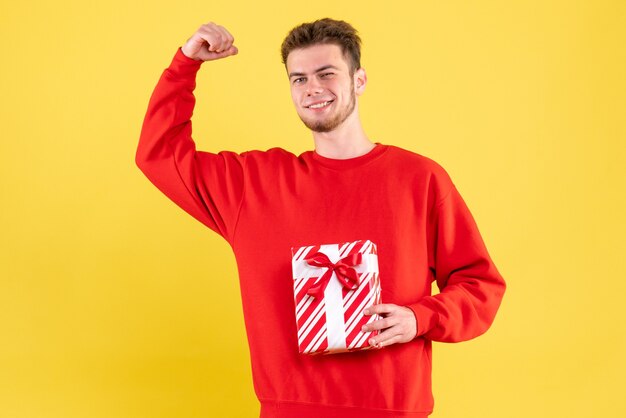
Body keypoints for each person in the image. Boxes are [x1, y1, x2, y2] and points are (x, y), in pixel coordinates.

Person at [136, 18, 506, 418]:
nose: (312, 87)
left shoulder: (420, 180)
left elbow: (480, 285)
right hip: (289, 409)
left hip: (394, 409)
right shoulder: (252, 185)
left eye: (326, 73)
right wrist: (185, 63)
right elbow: (158, 155)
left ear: (359, 80)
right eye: (298, 78)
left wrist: (420, 319)